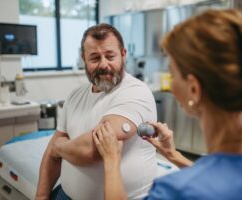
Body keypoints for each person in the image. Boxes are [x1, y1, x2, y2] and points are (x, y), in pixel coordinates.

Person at [92, 9, 242, 200]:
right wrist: (174, 155)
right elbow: (223, 181)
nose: (171, 83)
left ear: (193, 89)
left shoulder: (175, 191)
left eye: (173, 74)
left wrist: (111, 161)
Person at [35, 23, 158, 200]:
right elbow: (51, 154)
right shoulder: (75, 96)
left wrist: (59, 146)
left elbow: (92, 150)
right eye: (94, 58)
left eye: (110, 56)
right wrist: (41, 196)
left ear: (123, 55)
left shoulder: (135, 92)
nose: (103, 65)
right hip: (65, 195)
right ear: (83, 58)